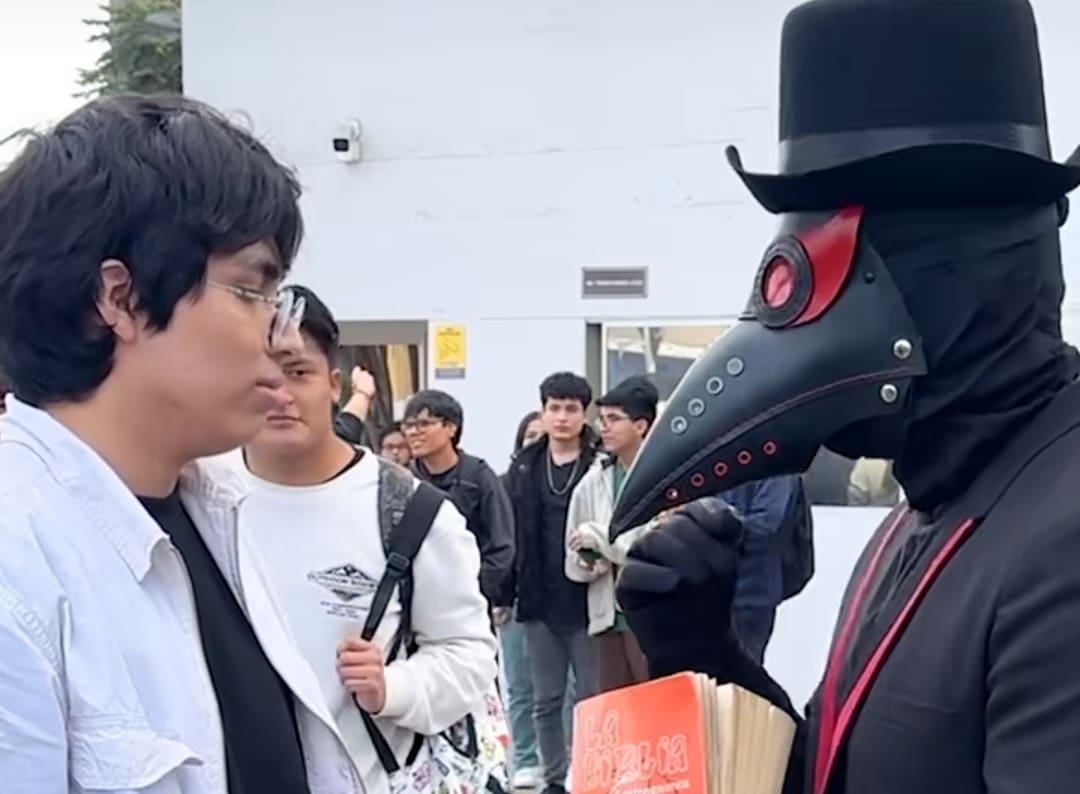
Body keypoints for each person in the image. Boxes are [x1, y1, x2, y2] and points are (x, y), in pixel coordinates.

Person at [610, 2, 1080, 793]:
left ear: (951, 274)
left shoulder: (1062, 537)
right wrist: (705, 657)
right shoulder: (923, 516)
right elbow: (838, 770)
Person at [0, 94, 322, 792]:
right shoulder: (17, 559)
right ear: (119, 298)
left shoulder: (217, 509)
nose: (286, 338)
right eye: (252, 291)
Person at [218, 286, 497, 794]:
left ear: (334, 384)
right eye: (259, 372)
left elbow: (469, 655)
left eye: (297, 372)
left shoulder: (412, 511)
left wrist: (393, 687)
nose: (278, 392)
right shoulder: (197, 493)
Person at [505, 373, 600, 794]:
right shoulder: (524, 465)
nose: (562, 417)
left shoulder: (600, 463)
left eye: (571, 409)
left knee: (590, 696)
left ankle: (588, 772)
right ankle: (554, 777)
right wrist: (505, 592)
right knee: (545, 698)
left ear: (584, 414)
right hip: (538, 596)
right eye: (554, 408)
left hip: (588, 596)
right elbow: (509, 531)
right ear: (542, 412)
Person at [564, 375, 658, 692]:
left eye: (614, 419)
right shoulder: (595, 478)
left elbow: (656, 545)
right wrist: (589, 558)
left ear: (641, 426)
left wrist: (599, 537)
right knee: (614, 709)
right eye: (601, 419)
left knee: (656, 703)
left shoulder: (665, 474)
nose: (604, 427)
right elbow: (574, 546)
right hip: (606, 616)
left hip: (655, 614)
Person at [403, 390, 515, 609]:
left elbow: (501, 544)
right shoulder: (405, 480)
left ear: (451, 428)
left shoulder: (478, 477)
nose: (414, 432)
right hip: (416, 600)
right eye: (409, 426)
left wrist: (474, 590)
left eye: (424, 424)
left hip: (468, 600)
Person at [499, 410, 545, 789]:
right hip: (515, 597)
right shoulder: (505, 485)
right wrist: (500, 595)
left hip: (558, 599)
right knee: (520, 684)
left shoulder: (570, 481)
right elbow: (501, 545)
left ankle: (562, 755)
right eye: (530, 436)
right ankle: (526, 758)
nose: (536, 442)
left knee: (561, 686)